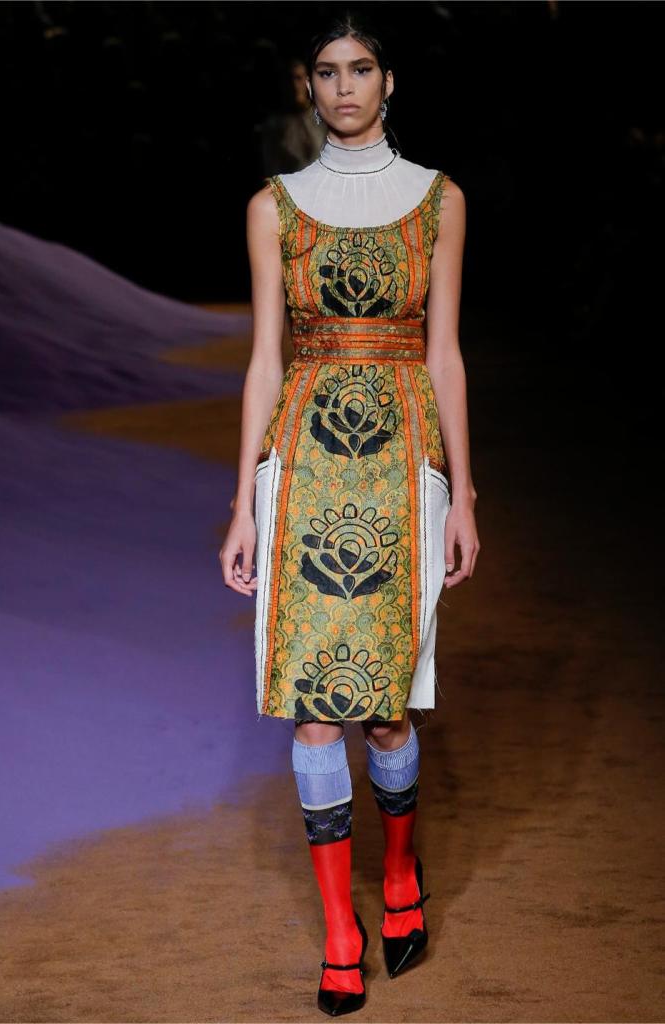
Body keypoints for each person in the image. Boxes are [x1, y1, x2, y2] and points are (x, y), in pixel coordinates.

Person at [220, 13, 479, 1017]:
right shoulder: (272, 208)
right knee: (315, 699)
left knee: (386, 703)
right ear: (308, 84)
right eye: (326, 71)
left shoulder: (439, 200)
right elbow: (263, 361)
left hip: (404, 460)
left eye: (359, 68)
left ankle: (401, 872)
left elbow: (444, 353)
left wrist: (464, 492)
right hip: (305, 460)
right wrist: (242, 501)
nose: (342, 87)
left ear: (387, 80)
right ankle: (340, 928)